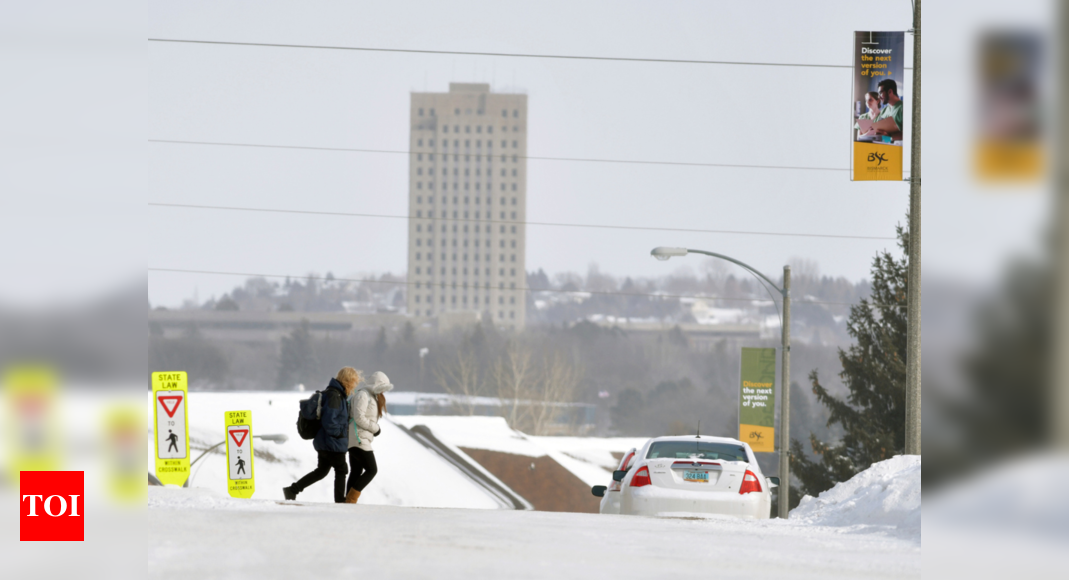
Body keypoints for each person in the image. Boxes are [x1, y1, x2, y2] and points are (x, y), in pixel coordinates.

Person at [283, 367, 359, 503]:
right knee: (341, 469)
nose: (354, 385)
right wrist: (342, 433)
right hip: (332, 442)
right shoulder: (335, 396)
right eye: (353, 382)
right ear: (347, 380)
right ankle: (340, 502)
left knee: (321, 471)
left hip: (325, 442)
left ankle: (292, 490)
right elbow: (330, 422)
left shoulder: (336, 394)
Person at [344, 371, 393, 504]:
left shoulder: (371, 396)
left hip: (358, 438)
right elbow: (358, 417)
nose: (383, 391)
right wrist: (375, 428)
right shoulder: (363, 395)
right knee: (372, 470)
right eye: (382, 387)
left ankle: (348, 502)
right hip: (359, 438)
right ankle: (351, 499)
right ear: (376, 384)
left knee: (356, 471)